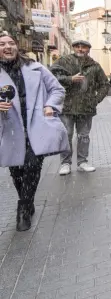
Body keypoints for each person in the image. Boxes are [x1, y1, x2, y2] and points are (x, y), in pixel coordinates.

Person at [0, 32, 68, 231]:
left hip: (35, 127)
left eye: (11, 43)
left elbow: (57, 90)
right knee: (17, 170)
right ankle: (27, 200)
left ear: (17, 46)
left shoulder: (35, 68)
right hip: (9, 129)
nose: (8, 47)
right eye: (2, 44)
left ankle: (23, 207)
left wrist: (50, 106)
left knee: (32, 165)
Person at [50, 39, 111, 175]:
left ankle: (82, 162)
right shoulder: (64, 61)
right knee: (66, 135)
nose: (80, 49)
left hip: (86, 107)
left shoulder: (94, 66)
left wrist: (95, 100)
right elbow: (51, 76)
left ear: (88, 49)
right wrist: (69, 79)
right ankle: (65, 163)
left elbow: (105, 85)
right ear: (73, 48)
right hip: (67, 106)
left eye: (83, 47)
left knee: (84, 136)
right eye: (77, 47)